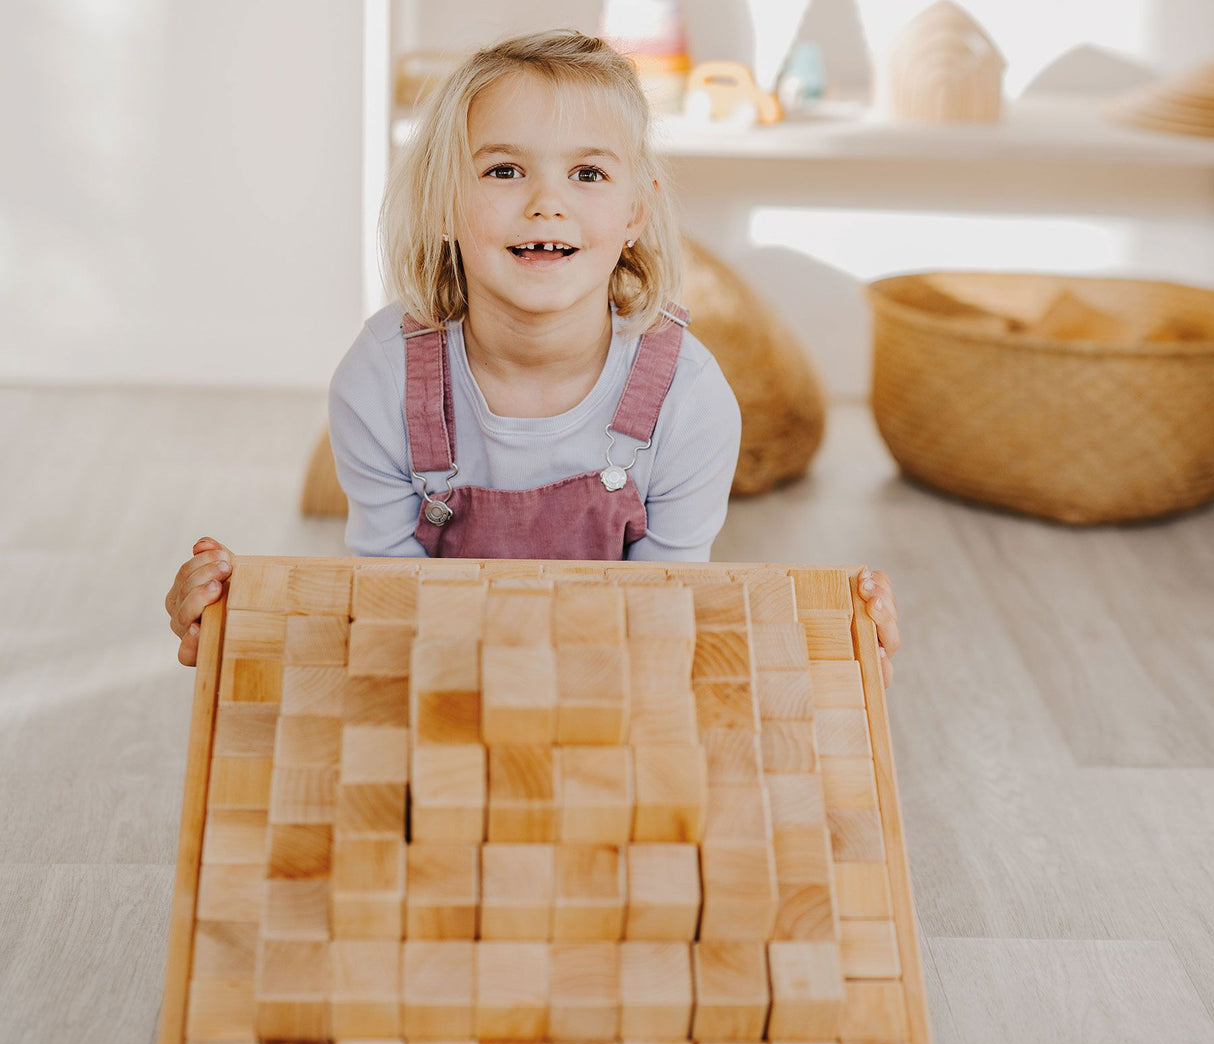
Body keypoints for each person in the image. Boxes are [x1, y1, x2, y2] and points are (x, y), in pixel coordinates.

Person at [165, 29, 901, 682]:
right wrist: (237, 617)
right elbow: (388, 615)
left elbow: (665, 629)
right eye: (504, 170)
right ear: (446, 201)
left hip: (611, 685)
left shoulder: (689, 399)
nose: (547, 202)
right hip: (439, 680)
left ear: (635, 212)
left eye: (587, 174)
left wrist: (837, 641)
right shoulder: (381, 381)